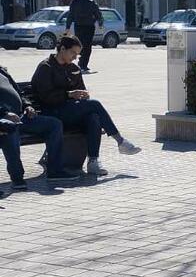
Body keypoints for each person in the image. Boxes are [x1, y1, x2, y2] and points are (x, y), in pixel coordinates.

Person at [31, 35, 141, 176]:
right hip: (52, 113)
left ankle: (93, 162)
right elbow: (46, 97)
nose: (75, 57)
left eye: (77, 54)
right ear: (62, 49)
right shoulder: (46, 67)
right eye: (73, 53)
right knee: (94, 105)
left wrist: (83, 96)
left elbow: (81, 91)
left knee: (93, 116)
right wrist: (69, 95)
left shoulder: (73, 68)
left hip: (70, 111)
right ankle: (120, 141)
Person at [0, 64, 80, 190]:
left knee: (54, 124)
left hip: (22, 116)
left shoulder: (3, 72)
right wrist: (5, 113)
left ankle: (54, 171)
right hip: (3, 120)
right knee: (10, 131)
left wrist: (27, 106)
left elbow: (20, 93)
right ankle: (17, 178)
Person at [65, 0, 104, 74]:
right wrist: (100, 24)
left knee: (79, 44)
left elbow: (70, 15)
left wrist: (67, 27)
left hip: (78, 26)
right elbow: (98, 14)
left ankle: (80, 62)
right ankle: (83, 64)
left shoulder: (74, 2)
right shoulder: (92, 2)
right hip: (89, 27)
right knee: (87, 45)